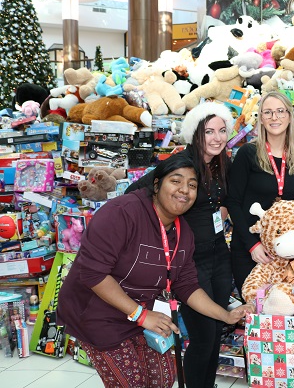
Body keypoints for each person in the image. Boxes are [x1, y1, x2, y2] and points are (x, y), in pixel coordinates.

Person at [57, 155, 252, 388]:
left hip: (144, 316)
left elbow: (186, 284)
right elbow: (93, 274)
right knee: (132, 383)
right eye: (176, 181)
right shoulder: (121, 213)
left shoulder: (183, 232)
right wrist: (140, 314)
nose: (184, 190)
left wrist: (226, 315)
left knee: (163, 379)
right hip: (98, 314)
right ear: (157, 184)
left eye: (192, 185)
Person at [125, 102, 235, 388]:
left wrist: (220, 210)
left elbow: (222, 201)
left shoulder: (223, 163)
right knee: (203, 338)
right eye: (209, 131)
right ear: (195, 133)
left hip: (219, 257)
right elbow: (134, 194)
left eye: (222, 131)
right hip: (189, 264)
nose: (217, 138)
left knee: (215, 335)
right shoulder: (182, 164)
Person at [226, 91, 294, 295]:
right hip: (251, 251)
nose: (275, 117)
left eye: (281, 111)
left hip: (287, 253)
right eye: (268, 112)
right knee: (255, 309)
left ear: (290, 116)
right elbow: (233, 202)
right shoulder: (248, 153)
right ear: (261, 119)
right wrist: (252, 245)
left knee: (284, 311)